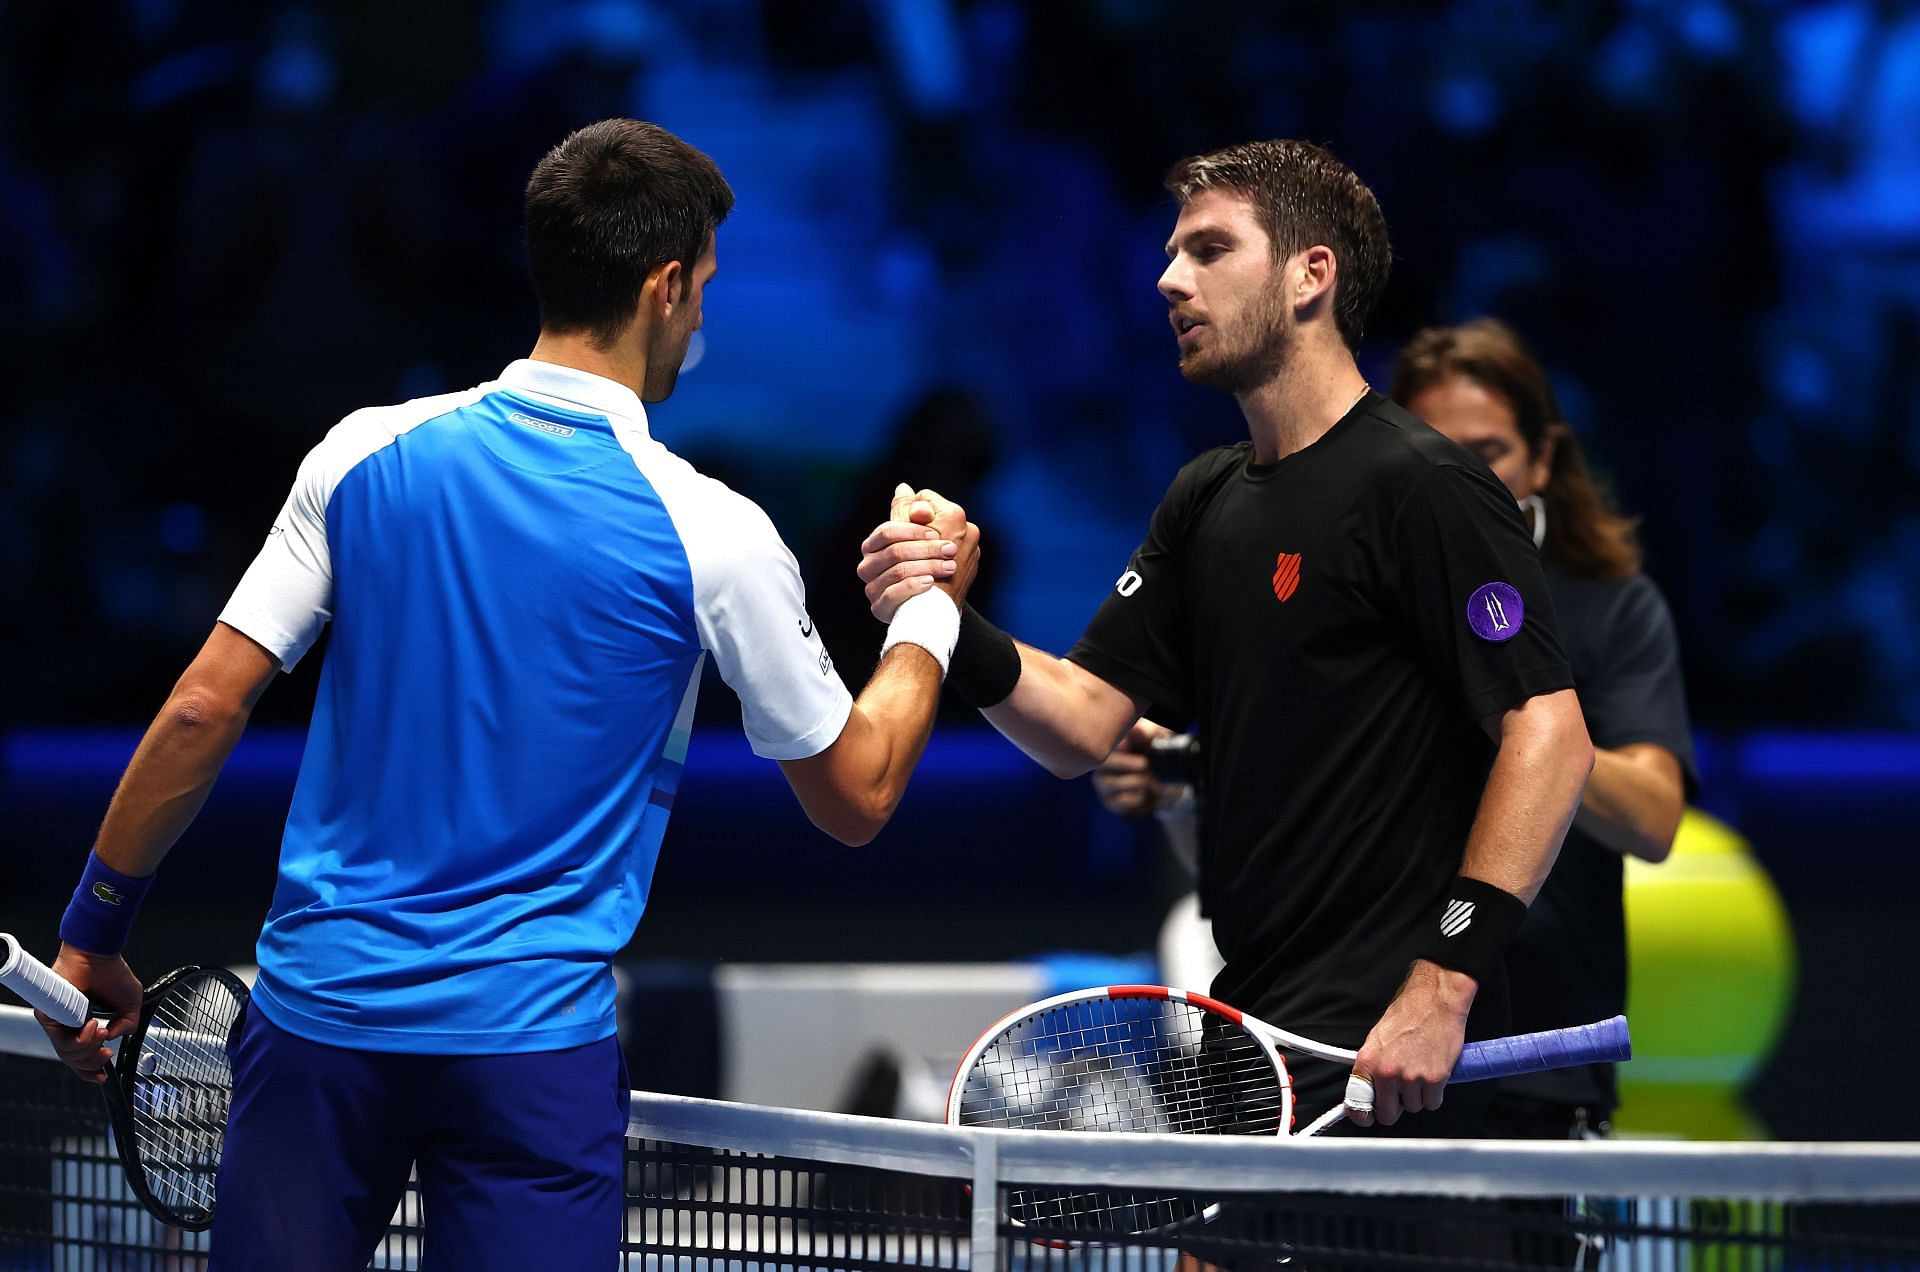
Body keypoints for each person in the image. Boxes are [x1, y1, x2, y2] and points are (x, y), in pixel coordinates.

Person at [34, 118, 979, 1270]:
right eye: (704, 293)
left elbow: (200, 709)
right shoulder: (712, 533)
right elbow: (858, 794)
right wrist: (928, 608)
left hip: (318, 1031)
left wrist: (90, 934)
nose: (702, 323)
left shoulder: (362, 453)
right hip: (527, 1063)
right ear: (663, 286)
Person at [860, 140, 1594, 1135]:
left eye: (1210, 250)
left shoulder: (1425, 487)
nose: (1169, 278)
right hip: (1247, 1037)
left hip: (1394, 1053)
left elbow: (1549, 733)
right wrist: (947, 618)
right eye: (1172, 253)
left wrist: (1443, 984)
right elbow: (1080, 723)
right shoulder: (1203, 499)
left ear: (1311, 275)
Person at [1392, 318, 1695, 1142]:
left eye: (1485, 452)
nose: (1459, 479)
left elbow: (1654, 819)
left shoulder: (1612, 609)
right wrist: (1176, 797)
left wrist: (1523, 718)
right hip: (1365, 1054)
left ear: (1544, 460)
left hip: (1538, 1068)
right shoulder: (1354, 608)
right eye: (1432, 451)